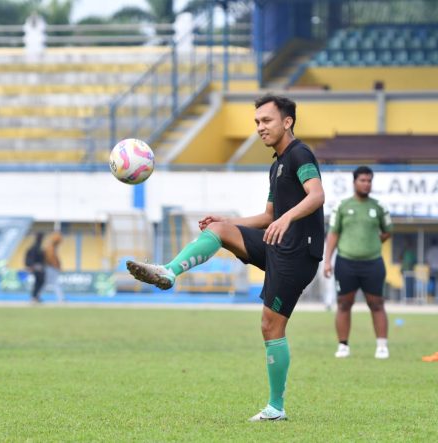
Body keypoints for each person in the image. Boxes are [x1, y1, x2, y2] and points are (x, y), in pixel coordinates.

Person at [126, 94, 325, 422]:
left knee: (270, 326)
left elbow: (316, 195)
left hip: (298, 253)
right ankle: (169, 272)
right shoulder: (276, 165)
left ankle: (276, 407)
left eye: (267, 121)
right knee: (219, 229)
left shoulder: (299, 154)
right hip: (276, 242)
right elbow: (267, 215)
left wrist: (286, 219)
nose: (260, 128)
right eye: (257, 122)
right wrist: (231, 221)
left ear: (287, 122)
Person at [323, 166, 393, 360]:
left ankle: (381, 346)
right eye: (362, 180)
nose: (366, 184)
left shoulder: (379, 207)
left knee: (377, 303)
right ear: (354, 182)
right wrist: (327, 260)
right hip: (346, 262)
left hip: (373, 263)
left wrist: (371, 243)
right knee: (344, 304)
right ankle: (343, 345)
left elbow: (387, 230)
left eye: (369, 180)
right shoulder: (342, 206)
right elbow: (333, 234)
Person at [25, 232, 46, 303]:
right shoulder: (36, 247)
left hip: (37, 266)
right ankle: (34, 297)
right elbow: (32, 258)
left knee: (39, 282)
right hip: (36, 266)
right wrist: (31, 266)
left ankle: (35, 297)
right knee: (39, 282)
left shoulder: (36, 247)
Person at [44, 231, 64, 302]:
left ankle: (36, 296)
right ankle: (60, 299)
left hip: (50, 267)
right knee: (55, 283)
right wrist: (57, 266)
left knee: (46, 283)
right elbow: (51, 258)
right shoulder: (51, 247)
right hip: (50, 268)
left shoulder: (52, 247)